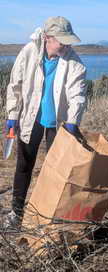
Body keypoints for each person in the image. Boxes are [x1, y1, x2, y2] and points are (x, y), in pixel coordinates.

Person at [4, 16, 87, 229]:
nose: (66, 44)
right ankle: (16, 213)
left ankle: (48, 216)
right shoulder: (29, 52)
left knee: (56, 170)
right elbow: (15, 84)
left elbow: (77, 93)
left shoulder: (74, 61)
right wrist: (12, 115)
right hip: (31, 117)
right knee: (24, 165)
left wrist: (72, 122)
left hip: (57, 123)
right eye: (62, 40)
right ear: (48, 38)